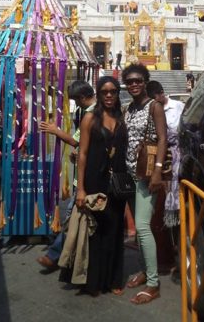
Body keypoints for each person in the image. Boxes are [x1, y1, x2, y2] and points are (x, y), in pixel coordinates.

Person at [72, 76, 127, 295]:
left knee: (114, 229)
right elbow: (82, 154)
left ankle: (113, 279)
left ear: (117, 92)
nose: (109, 95)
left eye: (113, 91)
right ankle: (93, 279)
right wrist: (80, 188)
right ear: (99, 93)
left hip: (117, 181)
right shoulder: (89, 119)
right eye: (104, 92)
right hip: (96, 179)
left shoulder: (122, 118)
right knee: (95, 231)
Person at [37, 80, 95, 270]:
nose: (76, 105)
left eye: (76, 101)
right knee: (76, 216)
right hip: (86, 172)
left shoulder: (91, 114)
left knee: (73, 216)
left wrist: (55, 131)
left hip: (86, 176)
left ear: (82, 98)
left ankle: (55, 256)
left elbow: (76, 142)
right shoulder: (93, 112)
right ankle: (62, 255)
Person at [122, 64, 167, 305]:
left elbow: (162, 139)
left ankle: (153, 283)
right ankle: (143, 269)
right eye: (129, 81)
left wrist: (158, 172)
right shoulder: (129, 108)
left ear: (145, 81)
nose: (133, 84)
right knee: (138, 229)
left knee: (142, 226)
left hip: (148, 175)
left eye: (138, 80)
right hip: (131, 173)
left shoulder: (155, 106)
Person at [146, 80, 184, 248]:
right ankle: (167, 241)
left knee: (177, 194)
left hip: (177, 155)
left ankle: (179, 235)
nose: (155, 102)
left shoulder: (178, 107)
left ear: (162, 93)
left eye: (156, 98)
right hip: (160, 156)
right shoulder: (152, 108)